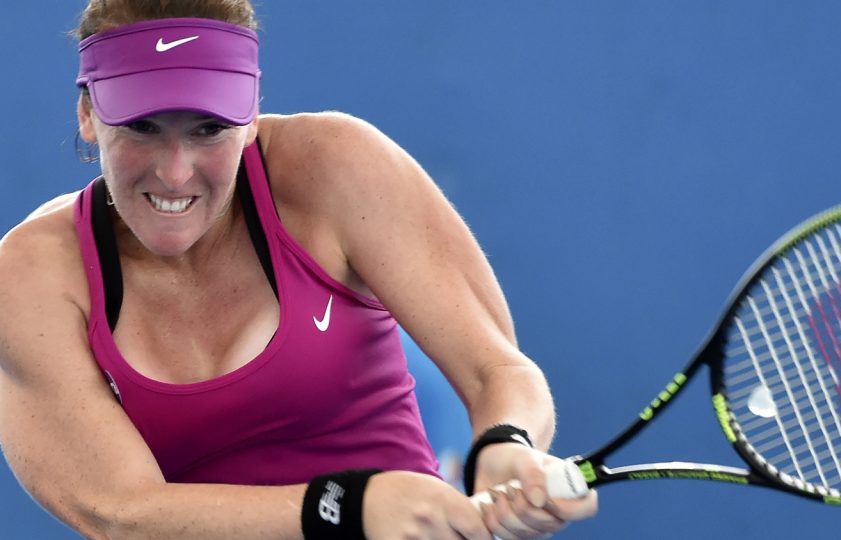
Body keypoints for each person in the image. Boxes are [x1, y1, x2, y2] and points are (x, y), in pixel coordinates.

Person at [0, 2, 598, 539]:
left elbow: (497, 369)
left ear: (252, 112)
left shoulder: (337, 168)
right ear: (86, 113)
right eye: (143, 128)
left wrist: (506, 442)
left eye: (209, 129)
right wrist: (346, 506)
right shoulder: (29, 276)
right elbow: (118, 512)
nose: (176, 173)